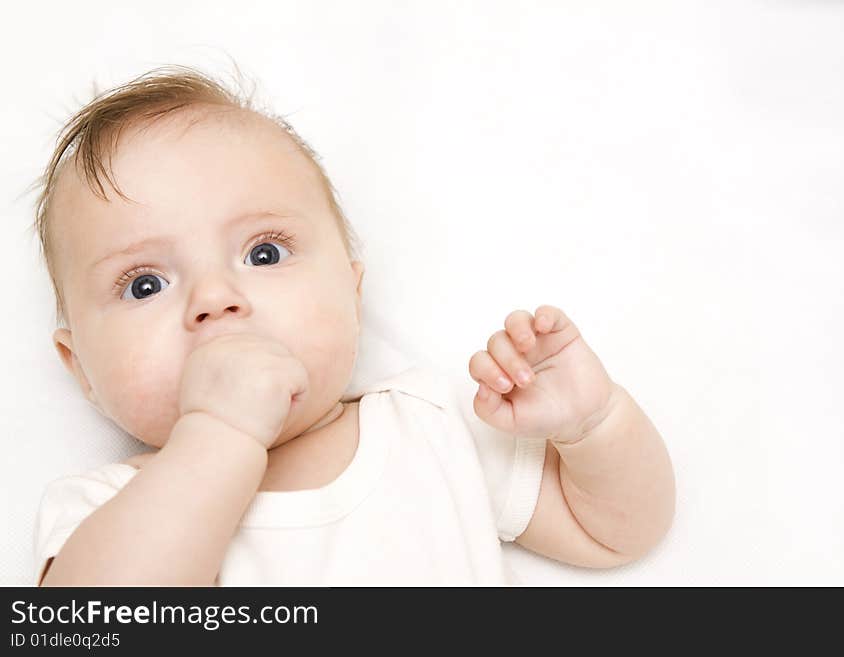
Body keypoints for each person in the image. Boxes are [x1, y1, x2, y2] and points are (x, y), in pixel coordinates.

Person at [29, 65, 675, 586]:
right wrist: (218, 435)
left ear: (354, 292)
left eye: (264, 252)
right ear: (80, 367)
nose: (215, 298)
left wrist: (596, 427)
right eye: (145, 284)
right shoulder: (102, 510)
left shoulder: (431, 425)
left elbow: (612, 532)